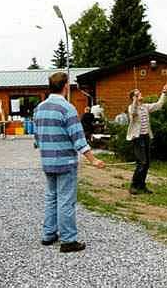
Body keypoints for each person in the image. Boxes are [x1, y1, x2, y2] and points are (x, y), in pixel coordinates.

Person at [34, 72, 105, 253]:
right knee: (66, 200)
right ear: (65, 86)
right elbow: (78, 138)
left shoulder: (39, 108)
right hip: (65, 161)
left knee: (51, 197)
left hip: (47, 161)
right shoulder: (67, 108)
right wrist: (93, 159)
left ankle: (48, 235)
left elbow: (37, 138)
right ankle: (68, 240)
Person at [126, 84, 167, 195]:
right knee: (142, 162)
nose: (141, 94)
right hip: (137, 137)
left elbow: (159, 105)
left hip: (146, 137)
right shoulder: (131, 107)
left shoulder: (145, 107)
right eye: (137, 94)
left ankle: (141, 186)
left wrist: (164, 92)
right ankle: (133, 186)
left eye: (139, 93)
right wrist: (135, 100)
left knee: (147, 163)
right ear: (133, 97)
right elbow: (133, 113)